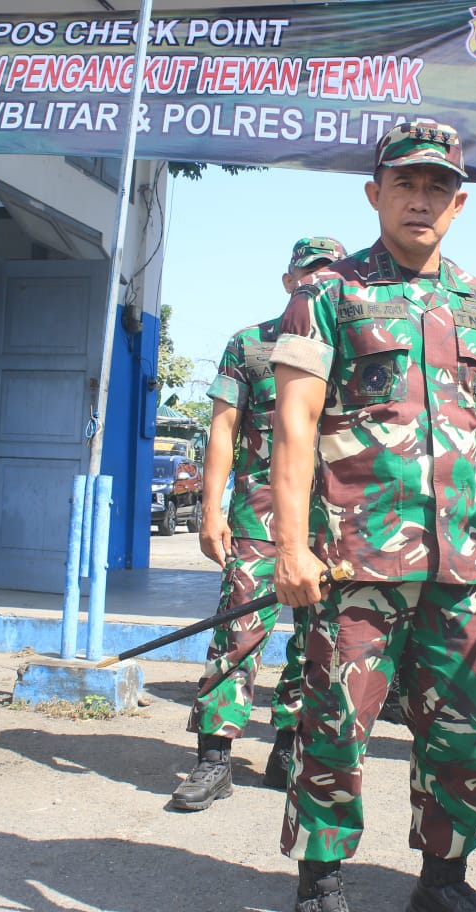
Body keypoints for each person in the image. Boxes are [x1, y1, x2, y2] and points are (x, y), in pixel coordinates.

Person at [269, 120, 476, 912]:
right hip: (354, 560)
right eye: (406, 184)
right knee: (335, 726)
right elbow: (293, 424)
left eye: (438, 187)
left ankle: (443, 877)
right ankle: (321, 881)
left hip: (463, 565)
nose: (422, 200)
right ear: (374, 193)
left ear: (458, 203)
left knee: (462, 732)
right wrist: (291, 545)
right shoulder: (331, 294)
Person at [169, 235, 347, 812]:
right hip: (257, 516)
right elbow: (223, 428)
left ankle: (289, 748)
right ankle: (214, 757)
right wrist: (210, 510)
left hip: (332, 521)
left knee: (316, 643)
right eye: (306, 274)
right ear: (288, 280)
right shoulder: (249, 345)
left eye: (326, 274)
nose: (314, 283)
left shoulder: (355, 344)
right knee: (238, 634)